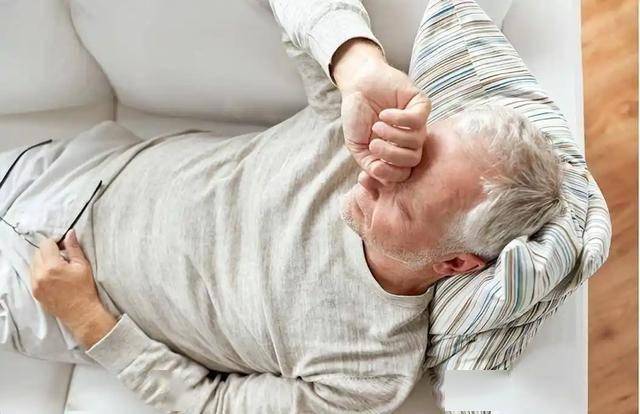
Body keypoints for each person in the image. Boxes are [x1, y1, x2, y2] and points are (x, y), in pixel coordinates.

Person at [1, 0, 564, 412]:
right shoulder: (361, 134)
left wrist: (87, 319)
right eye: (408, 163)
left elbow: (211, 406)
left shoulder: (368, 371)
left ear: (455, 263)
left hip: (45, 300)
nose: (374, 175)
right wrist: (358, 65)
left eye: (407, 206)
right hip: (73, 172)